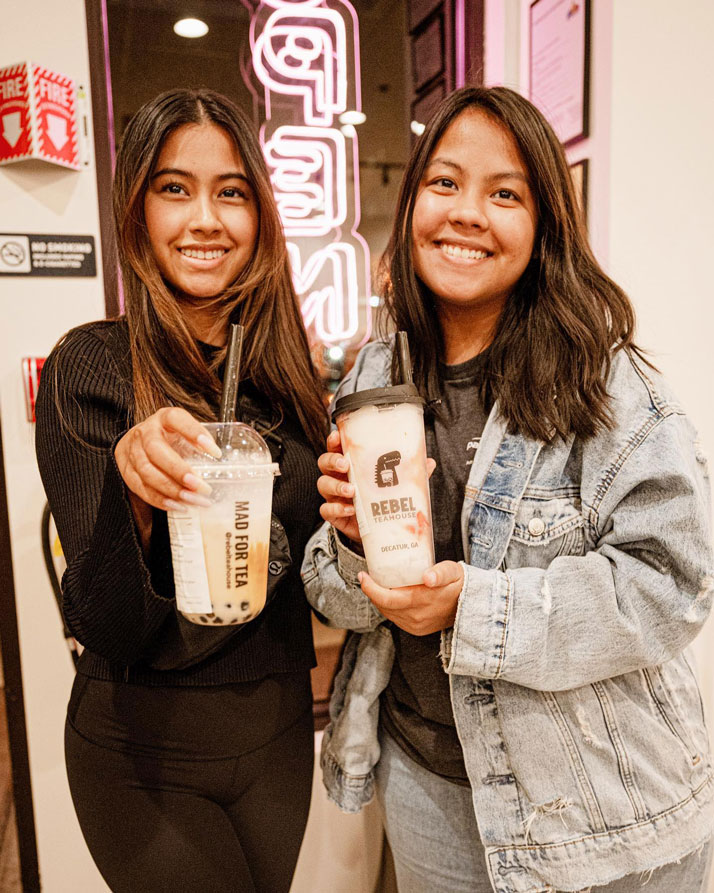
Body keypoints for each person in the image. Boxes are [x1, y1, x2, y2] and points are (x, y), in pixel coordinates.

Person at [302, 86, 714, 893]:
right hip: (429, 786)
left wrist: (473, 607)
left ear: (545, 224)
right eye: (445, 183)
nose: (467, 213)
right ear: (413, 195)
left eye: (505, 193)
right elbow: (340, 597)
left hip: (599, 815)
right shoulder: (378, 371)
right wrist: (351, 545)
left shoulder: (603, 380)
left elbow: (674, 582)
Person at [35, 88, 328, 893]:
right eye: (174, 188)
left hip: (276, 733)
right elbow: (107, 621)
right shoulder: (91, 367)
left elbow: (318, 576)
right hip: (141, 747)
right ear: (136, 210)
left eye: (231, 191)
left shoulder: (289, 377)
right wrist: (130, 485)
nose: (205, 219)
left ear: (260, 215)